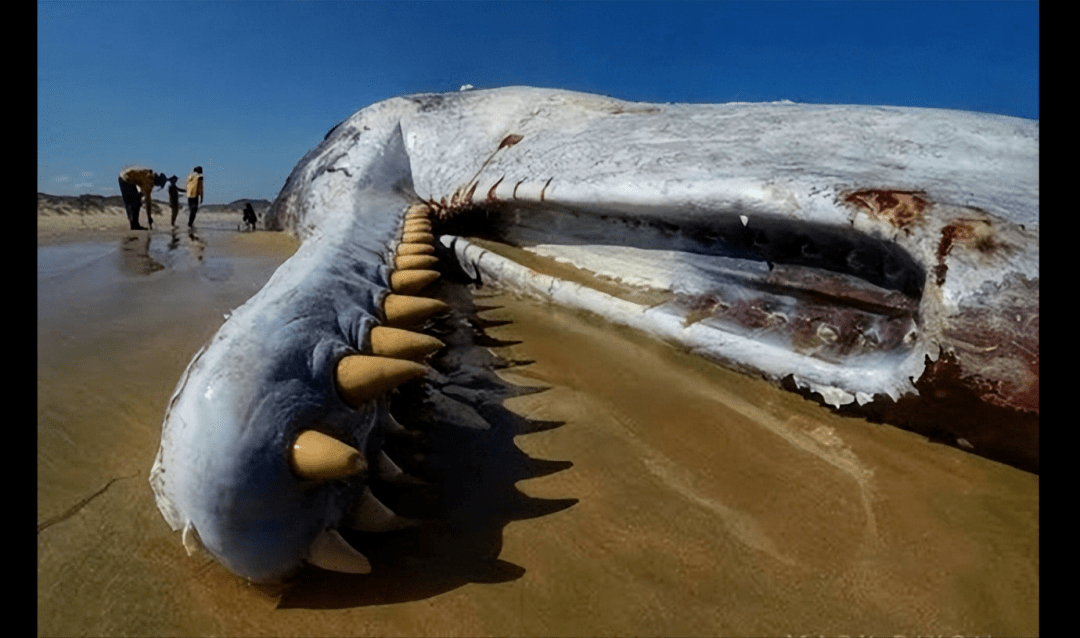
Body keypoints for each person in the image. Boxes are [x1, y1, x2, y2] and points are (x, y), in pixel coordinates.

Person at [118, 166, 167, 230]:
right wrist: (149, 217)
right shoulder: (149, 181)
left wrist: (140, 196)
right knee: (133, 203)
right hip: (125, 179)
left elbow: (143, 193)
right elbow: (148, 201)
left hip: (125, 177)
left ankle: (134, 224)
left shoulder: (149, 174)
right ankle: (134, 226)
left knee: (134, 201)